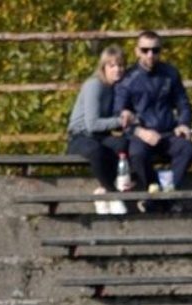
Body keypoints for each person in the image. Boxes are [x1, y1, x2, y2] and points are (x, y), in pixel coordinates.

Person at [113, 30, 192, 200]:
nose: (150, 55)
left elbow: (183, 103)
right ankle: (154, 192)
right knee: (137, 155)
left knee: (187, 149)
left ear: (160, 51)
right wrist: (139, 132)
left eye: (155, 50)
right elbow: (118, 113)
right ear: (137, 51)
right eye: (145, 50)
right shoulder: (128, 79)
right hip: (141, 135)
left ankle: (170, 191)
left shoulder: (170, 74)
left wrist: (184, 124)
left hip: (168, 132)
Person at [66, 45, 129, 215]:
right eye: (112, 66)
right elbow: (91, 124)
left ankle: (103, 191)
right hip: (81, 137)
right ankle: (113, 195)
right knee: (97, 151)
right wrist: (120, 121)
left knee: (122, 144)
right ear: (104, 68)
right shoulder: (95, 85)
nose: (118, 70)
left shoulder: (117, 87)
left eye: (121, 65)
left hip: (101, 136)